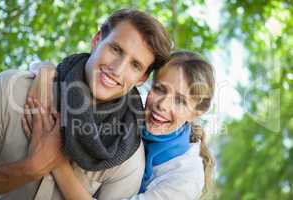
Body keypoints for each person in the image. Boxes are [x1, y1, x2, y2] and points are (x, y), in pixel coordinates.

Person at [0, 9, 171, 200]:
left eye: (135, 65)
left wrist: (55, 165)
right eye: (116, 49)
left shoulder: (127, 159)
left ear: (142, 78)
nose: (117, 70)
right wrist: (31, 168)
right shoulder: (13, 91)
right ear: (97, 41)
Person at [23, 51, 215, 200]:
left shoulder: (185, 178)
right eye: (159, 89)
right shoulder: (129, 113)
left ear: (196, 112)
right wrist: (46, 72)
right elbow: (72, 76)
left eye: (180, 101)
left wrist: (54, 161)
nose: (162, 105)